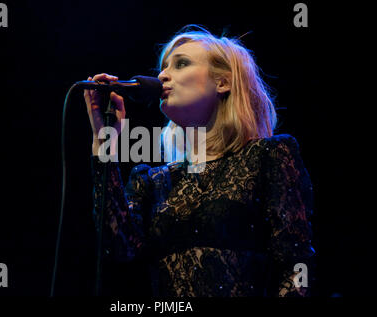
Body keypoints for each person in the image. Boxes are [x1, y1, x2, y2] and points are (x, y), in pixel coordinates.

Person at [84, 25, 315, 297]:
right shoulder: (151, 181)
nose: (162, 75)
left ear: (223, 82)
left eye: (181, 64)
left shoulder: (268, 156)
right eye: (163, 67)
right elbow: (119, 249)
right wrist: (104, 142)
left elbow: (296, 265)